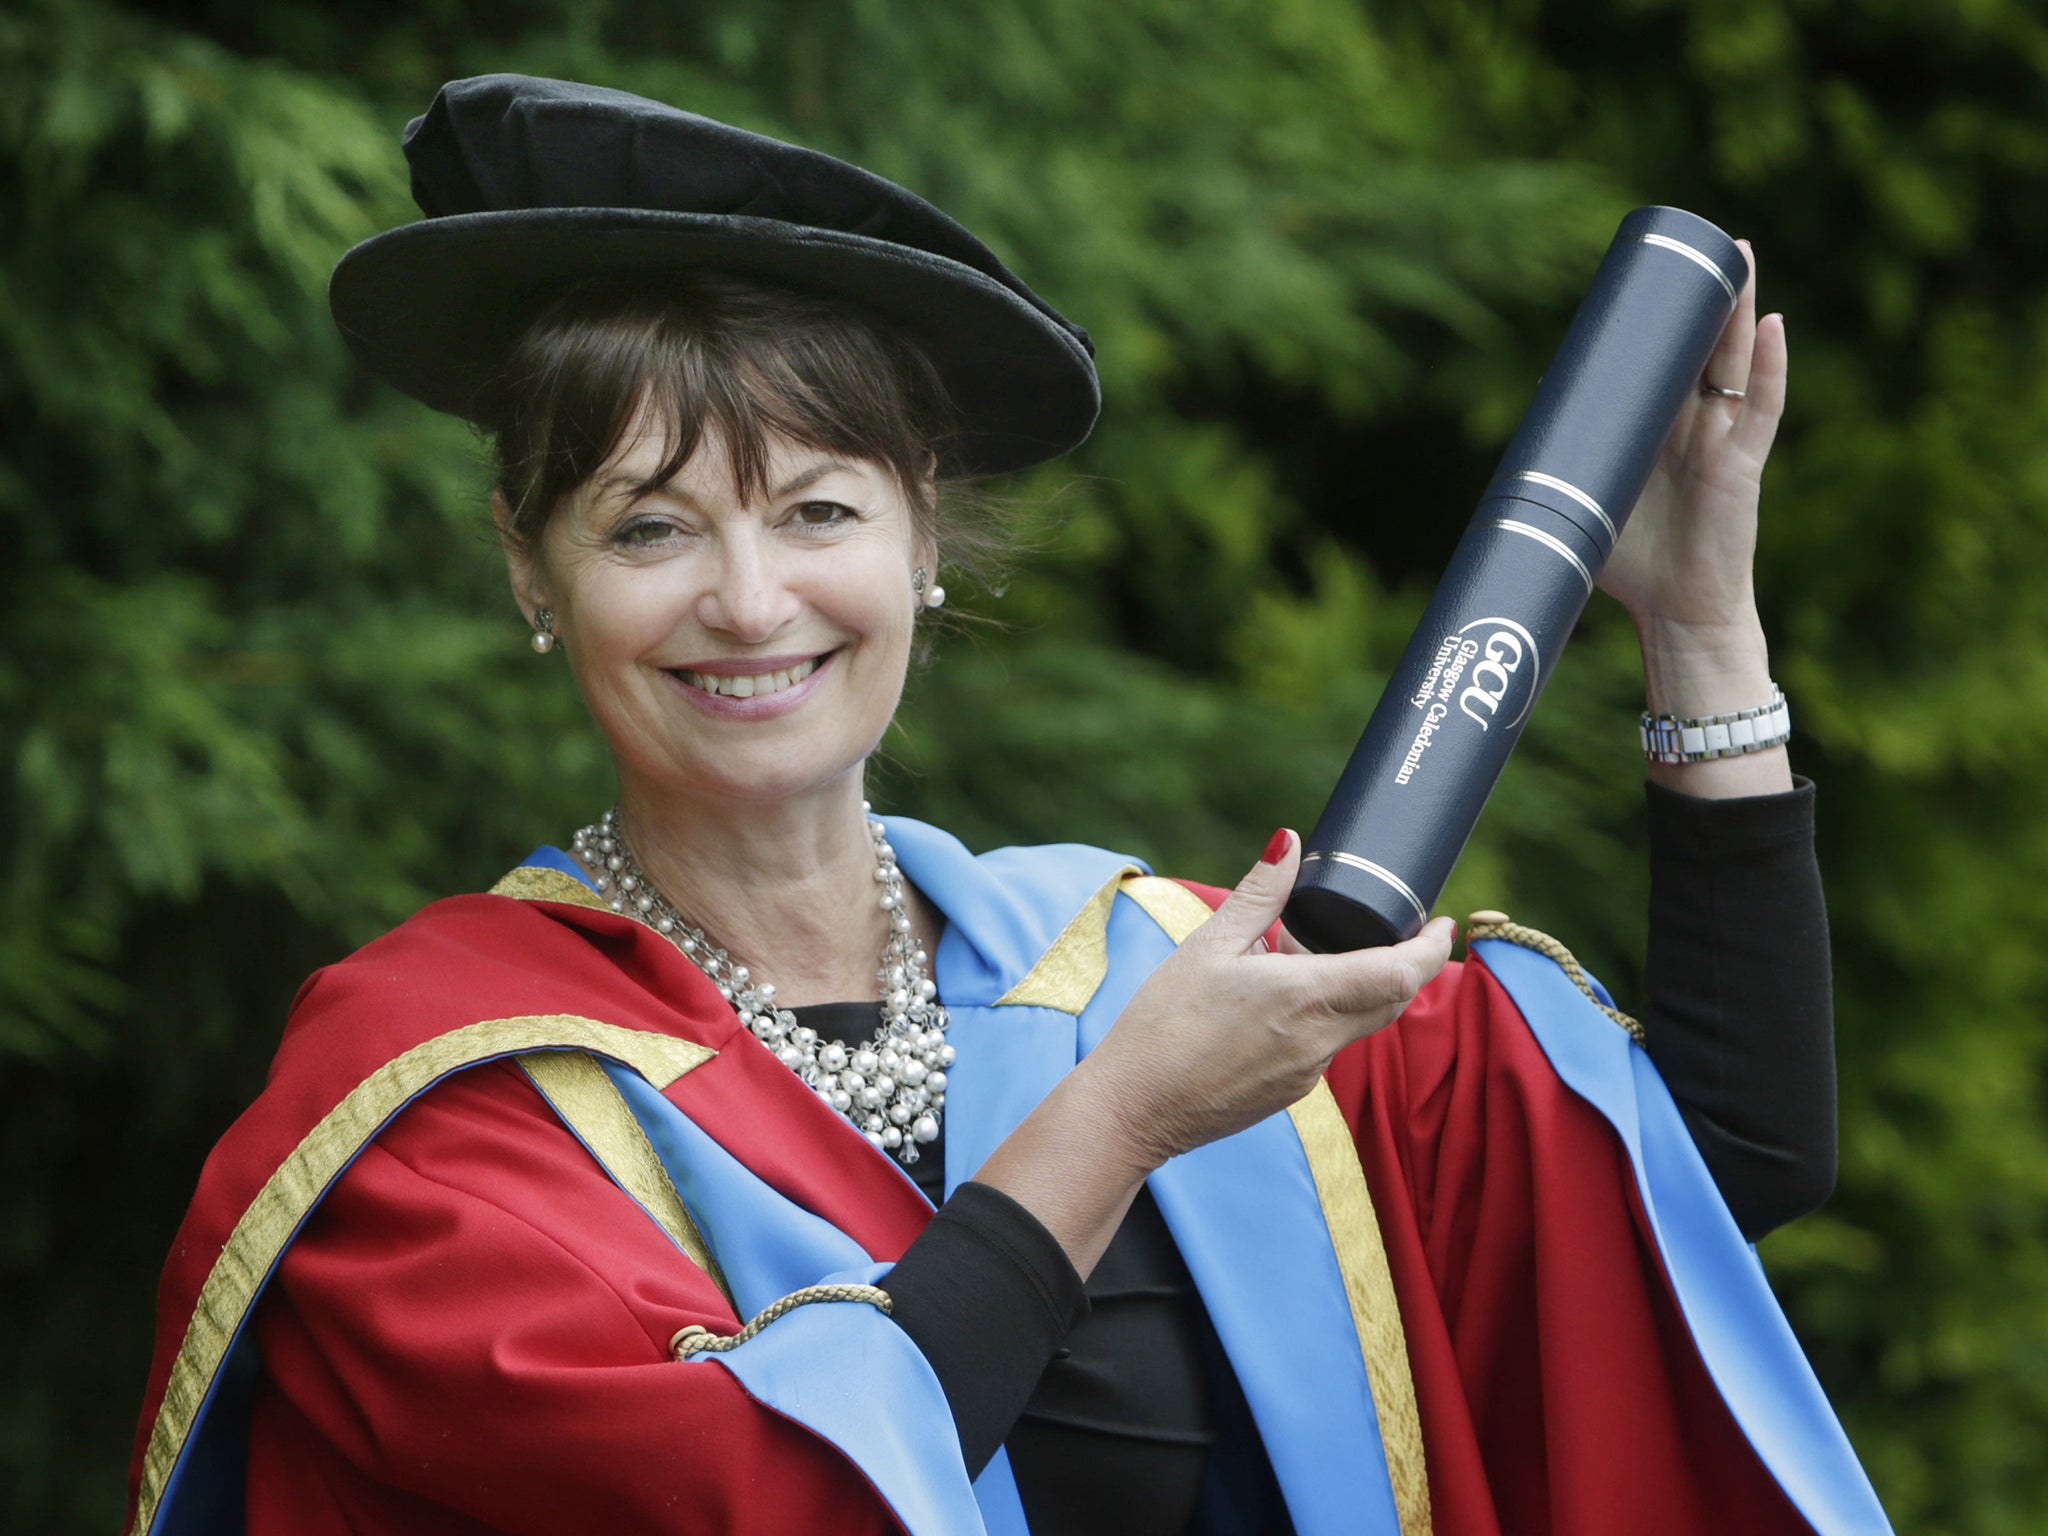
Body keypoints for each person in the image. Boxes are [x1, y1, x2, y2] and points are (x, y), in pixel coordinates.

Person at [126, 75, 1891, 1536]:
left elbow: (1716, 1173)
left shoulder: (1139, 965)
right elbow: (768, 1496)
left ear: (921, 538)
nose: (750, 603)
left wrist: (1697, 619)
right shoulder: (451, 1104)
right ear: (534, 565)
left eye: (818, 512)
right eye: (651, 527)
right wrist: (1119, 1126)